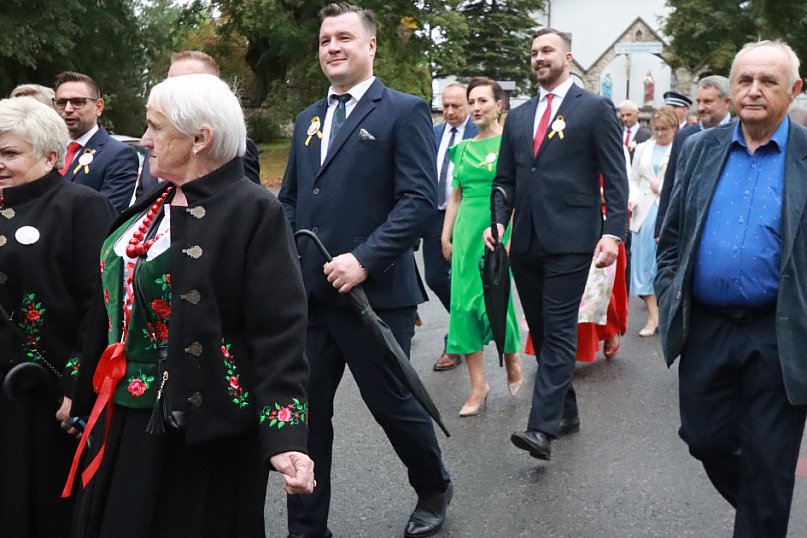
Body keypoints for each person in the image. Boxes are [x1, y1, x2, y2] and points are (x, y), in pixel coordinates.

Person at [66, 73, 314, 538]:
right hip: (124, 415)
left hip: (203, 424)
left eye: (156, 128)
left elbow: (279, 329)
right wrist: (77, 389)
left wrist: (285, 438)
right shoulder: (153, 201)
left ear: (200, 138)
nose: (145, 140)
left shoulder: (254, 211)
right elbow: (111, 309)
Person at [279, 4, 452, 537]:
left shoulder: (403, 111)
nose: (333, 46)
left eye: (345, 37)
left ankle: (432, 485)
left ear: (370, 46)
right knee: (305, 419)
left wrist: (364, 259)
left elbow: (419, 199)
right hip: (311, 299)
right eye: (326, 39)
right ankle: (308, 529)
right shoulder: (308, 119)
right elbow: (289, 200)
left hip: (375, 297)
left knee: (393, 406)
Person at [656, 40, 807, 538]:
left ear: (795, 90)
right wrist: (668, 288)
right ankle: (764, 506)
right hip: (707, 327)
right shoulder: (700, 147)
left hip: (778, 331)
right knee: (705, 438)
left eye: (769, 82)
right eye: (745, 80)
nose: (755, 91)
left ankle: (762, 513)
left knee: (768, 457)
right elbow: (672, 234)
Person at [486, 28, 628, 461]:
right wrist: (498, 221)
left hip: (572, 237)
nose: (539, 58)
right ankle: (566, 411)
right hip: (525, 240)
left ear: (568, 56)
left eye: (546, 51)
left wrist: (612, 231)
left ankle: (541, 428)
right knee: (544, 330)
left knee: (560, 326)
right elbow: (505, 179)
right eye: (533, 52)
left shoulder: (595, 108)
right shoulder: (520, 115)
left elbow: (615, 175)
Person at [0, 96, 116, 538]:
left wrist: (75, 388)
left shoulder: (81, 206)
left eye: (10, 153)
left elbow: (99, 307)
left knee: (40, 506)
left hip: (44, 394)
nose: (1, 163)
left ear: (51, 155)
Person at [440, 77, 522, 416]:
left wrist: (510, 236)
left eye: (482, 101)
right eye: (471, 101)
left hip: (498, 229)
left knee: (494, 301)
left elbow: (517, 195)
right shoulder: (462, 149)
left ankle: (512, 354)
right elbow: (455, 196)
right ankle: (478, 385)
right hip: (466, 229)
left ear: (499, 105)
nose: (475, 107)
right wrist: (446, 235)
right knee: (462, 308)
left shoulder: (510, 145)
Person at [134, 51, 262, 198]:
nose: (145, 141)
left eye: (182, 85)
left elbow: (243, 205)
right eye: (168, 83)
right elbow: (143, 195)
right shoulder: (159, 142)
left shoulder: (231, 150)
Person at [429, 82, 478, 372]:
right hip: (435, 216)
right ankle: (464, 325)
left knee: (462, 279)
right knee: (436, 277)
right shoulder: (434, 133)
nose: (449, 111)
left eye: (456, 106)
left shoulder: (477, 134)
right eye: (445, 106)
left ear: (468, 106)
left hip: (467, 217)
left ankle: (455, 340)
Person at [655, 75, 732, 238]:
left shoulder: (740, 135)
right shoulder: (684, 137)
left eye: (708, 101)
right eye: (699, 101)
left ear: (727, 102)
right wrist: (661, 227)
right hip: (688, 228)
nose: (701, 107)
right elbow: (671, 183)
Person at [53, 71, 139, 212]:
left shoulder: (119, 155)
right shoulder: (48, 150)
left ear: (98, 107)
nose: (68, 109)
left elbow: (105, 213)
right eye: (61, 102)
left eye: (78, 102)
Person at [628, 106, 677, 337]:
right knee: (643, 267)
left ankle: (667, 316)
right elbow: (634, 179)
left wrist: (665, 186)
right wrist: (633, 198)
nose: (659, 134)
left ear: (674, 128)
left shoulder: (683, 148)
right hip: (644, 213)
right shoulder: (643, 149)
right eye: (656, 129)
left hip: (668, 212)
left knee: (665, 266)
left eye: (664, 129)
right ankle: (652, 316)